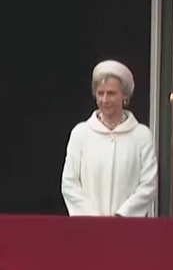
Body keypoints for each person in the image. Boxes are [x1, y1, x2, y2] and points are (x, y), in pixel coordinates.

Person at [61, 60, 158, 217]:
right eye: (100, 93)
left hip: (128, 229)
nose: (105, 100)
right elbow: (69, 183)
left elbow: (149, 184)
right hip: (88, 228)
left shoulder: (141, 136)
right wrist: (93, 218)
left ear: (124, 96)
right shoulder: (81, 134)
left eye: (111, 93)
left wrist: (121, 216)